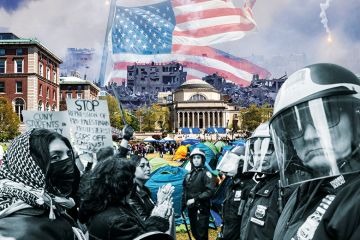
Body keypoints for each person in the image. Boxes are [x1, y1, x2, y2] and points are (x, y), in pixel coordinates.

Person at [270, 63, 360, 240]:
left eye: (327, 116)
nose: (310, 135)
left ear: (355, 120)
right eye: (295, 127)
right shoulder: (304, 190)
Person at [0, 129, 84, 240]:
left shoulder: (49, 205)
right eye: (55, 157)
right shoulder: (27, 230)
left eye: (69, 154)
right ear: (27, 166)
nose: (69, 163)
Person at [78, 156, 173, 240]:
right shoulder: (119, 221)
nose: (133, 182)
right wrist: (158, 217)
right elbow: (143, 236)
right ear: (123, 183)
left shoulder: (100, 204)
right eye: (131, 178)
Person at [240, 121, 292, 240]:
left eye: (268, 148)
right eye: (256, 149)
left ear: (283, 150)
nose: (259, 154)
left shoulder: (285, 187)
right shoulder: (261, 183)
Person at [216, 145, 256, 240]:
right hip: (228, 234)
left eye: (233, 161)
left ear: (242, 164)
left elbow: (247, 222)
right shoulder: (232, 185)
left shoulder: (250, 187)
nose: (229, 164)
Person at [182, 148, 216, 240]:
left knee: (201, 234)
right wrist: (182, 206)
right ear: (191, 160)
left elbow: (210, 191)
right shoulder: (189, 175)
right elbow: (185, 191)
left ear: (202, 159)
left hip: (201, 209)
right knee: (195, 232)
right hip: (191, 209)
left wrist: (195, 199)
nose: (196, 160)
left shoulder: (206, 174)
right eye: (194, 158)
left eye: (198, 157)